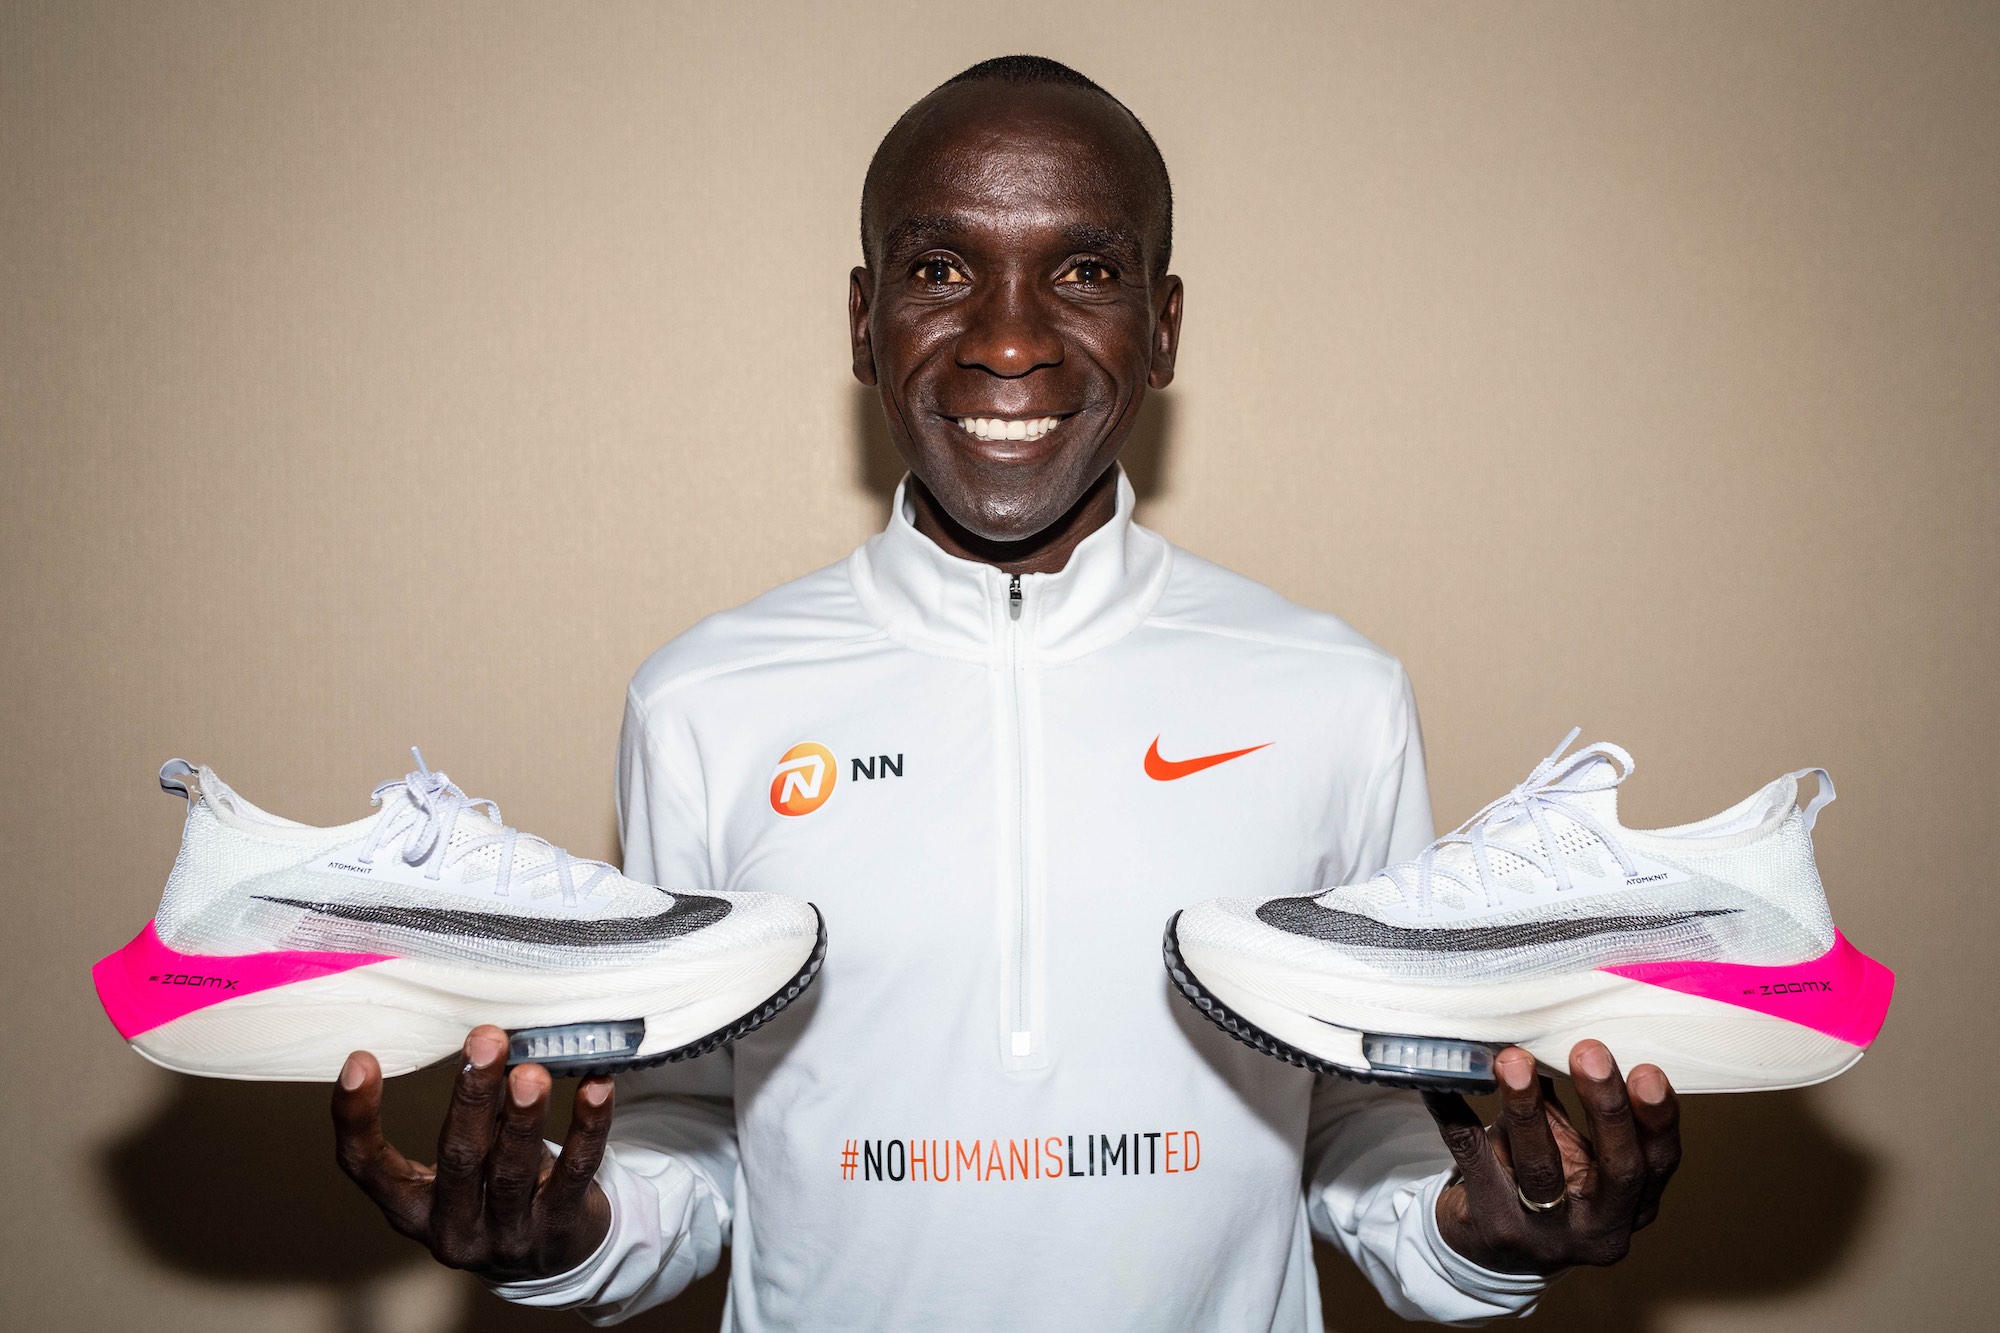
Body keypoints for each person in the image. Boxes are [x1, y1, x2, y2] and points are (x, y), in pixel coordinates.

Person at [329, 56, 1681, 1329]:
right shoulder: (702, 702)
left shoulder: (1338, 695)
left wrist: (1481, 1232)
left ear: (1163, 327)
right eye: (939, 270)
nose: (1011, 340)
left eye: (1084, 271)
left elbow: (1364, 1124)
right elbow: (694, 1130)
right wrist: (571, 1235)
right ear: (864, 324)